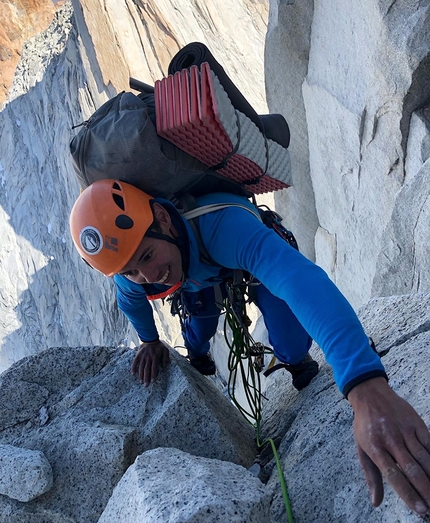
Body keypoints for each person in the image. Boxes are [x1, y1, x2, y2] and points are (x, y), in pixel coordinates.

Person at [69, 178, 430, 517]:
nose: (147, 277)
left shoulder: (222, 225)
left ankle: (294, 362)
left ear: (162, 219)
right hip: (195, 275)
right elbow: (131, 299)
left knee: (290, 339)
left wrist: (364, 384)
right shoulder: (132, 266)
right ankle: (199, 356)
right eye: (132, 271)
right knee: (199, 325)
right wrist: (149, 341)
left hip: (229, 256)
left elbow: (298, 279)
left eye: (147, 257)